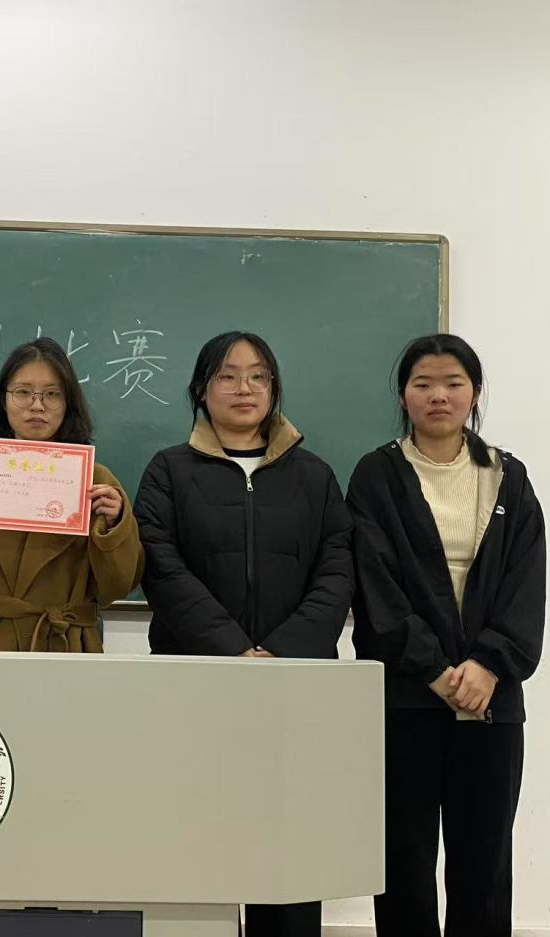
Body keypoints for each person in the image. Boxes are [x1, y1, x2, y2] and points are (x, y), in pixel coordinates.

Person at [134, 330, 352, 937]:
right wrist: (233, 650)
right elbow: (161, 566)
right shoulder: (168, 471)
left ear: (274, 388)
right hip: (195, 683)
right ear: (201, 390)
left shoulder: (314, 475)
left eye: (258, 376)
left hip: (295, 688)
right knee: (195, 842)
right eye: (227, 376)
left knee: (289, 849)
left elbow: (338, 570)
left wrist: (279, 652)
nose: (243, 388)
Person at [346, 333, 546, 936]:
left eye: (453, 383)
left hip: (490, 700)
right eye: (423, 384)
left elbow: (524, 581)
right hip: (407, 698)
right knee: (403, 864)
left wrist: (489, 663)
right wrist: (433, 669)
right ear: (403, 395)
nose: (439, 395)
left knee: (484, 865)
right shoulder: (377, 475)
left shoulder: (508, 477)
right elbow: (374, 585)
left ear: (474, 393)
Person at [0, 337, 143, 651]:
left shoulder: (96, 482)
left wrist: (114, 528)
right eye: (22, 392)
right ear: (3, 400)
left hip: (64, 646)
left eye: (52, 394)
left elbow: (116, 588)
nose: (37, 405)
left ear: (68, 403)